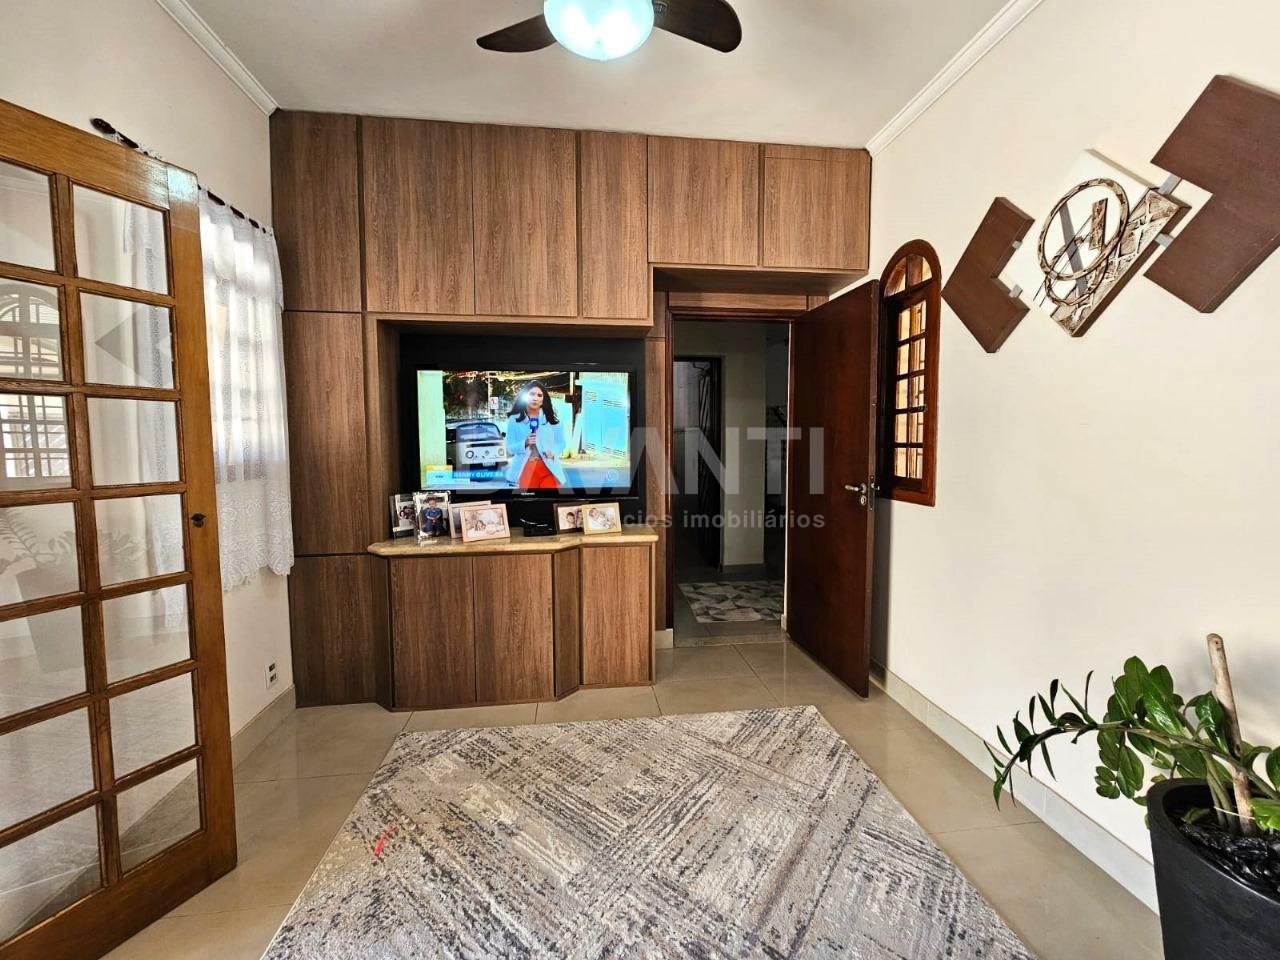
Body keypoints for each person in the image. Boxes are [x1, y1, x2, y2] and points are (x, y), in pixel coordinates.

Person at [503, 380, 568, 490]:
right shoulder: (514, 420)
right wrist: (525, 443)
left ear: (543, 400)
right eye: (532, 394)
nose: (535, 398)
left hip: (549, 468)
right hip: (525, 468)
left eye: (539, 395)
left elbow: (561, 443)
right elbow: (509, 448)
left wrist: (553, 452)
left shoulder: (552, 420)